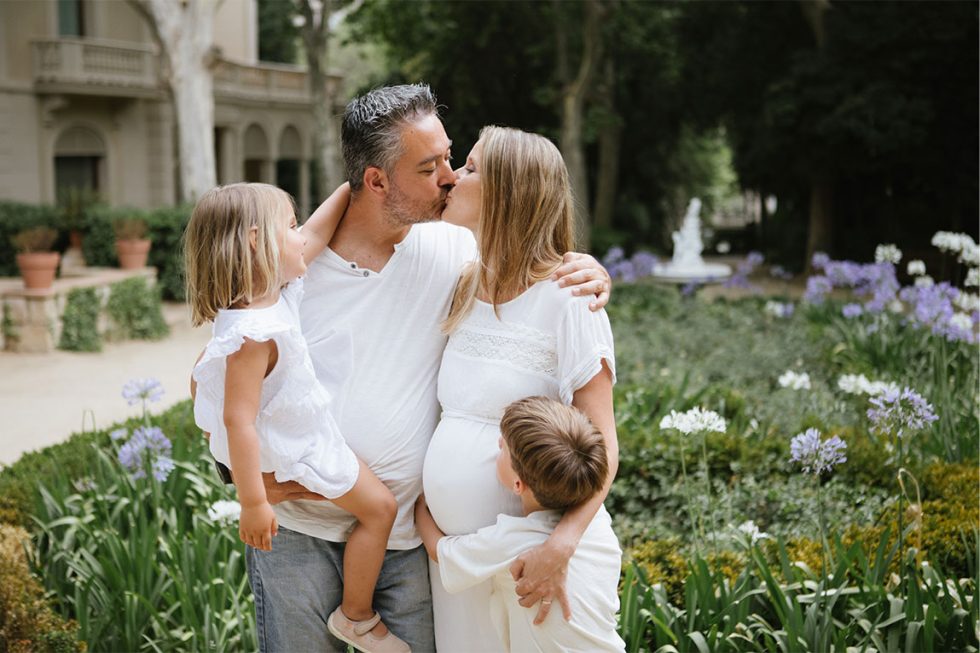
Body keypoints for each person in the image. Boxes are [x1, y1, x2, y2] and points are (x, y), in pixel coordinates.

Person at [248, 84, 611, 652]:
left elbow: (530, 262)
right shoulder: (293, 271)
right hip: (301, 529)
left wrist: (589, 269)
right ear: (375, 181)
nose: (448, 177)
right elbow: (216, 386)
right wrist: (265, 484)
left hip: (408, 545)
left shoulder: (456, 252)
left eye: (455, 160)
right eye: (432, 166)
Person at [184, 183, 410, 653]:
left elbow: (314, 234)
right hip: (302, 449)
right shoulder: (253, 334)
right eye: (286, 227)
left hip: (300, 437)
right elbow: (237, 421)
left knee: (377, 510)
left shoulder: (268, 299)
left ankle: (355, 614)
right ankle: (357, 617)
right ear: (255, 241)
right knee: (381, 510)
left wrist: (356, 182)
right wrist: (252, 502)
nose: (298, 235)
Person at [421, 125, 618, 651]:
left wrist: (563, 545)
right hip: (461, 561)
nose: (453, 179)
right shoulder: (463, 283)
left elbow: (603, 446)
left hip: (534, 557)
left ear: (509, 191)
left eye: (471, 168)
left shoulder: (570, 299)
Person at [415, 396, 625, 652]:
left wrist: (418, 507)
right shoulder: (599, 523)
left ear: (518, 484)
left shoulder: (516, 540)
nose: (498, 442)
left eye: (504, 449)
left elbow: (439, 550)